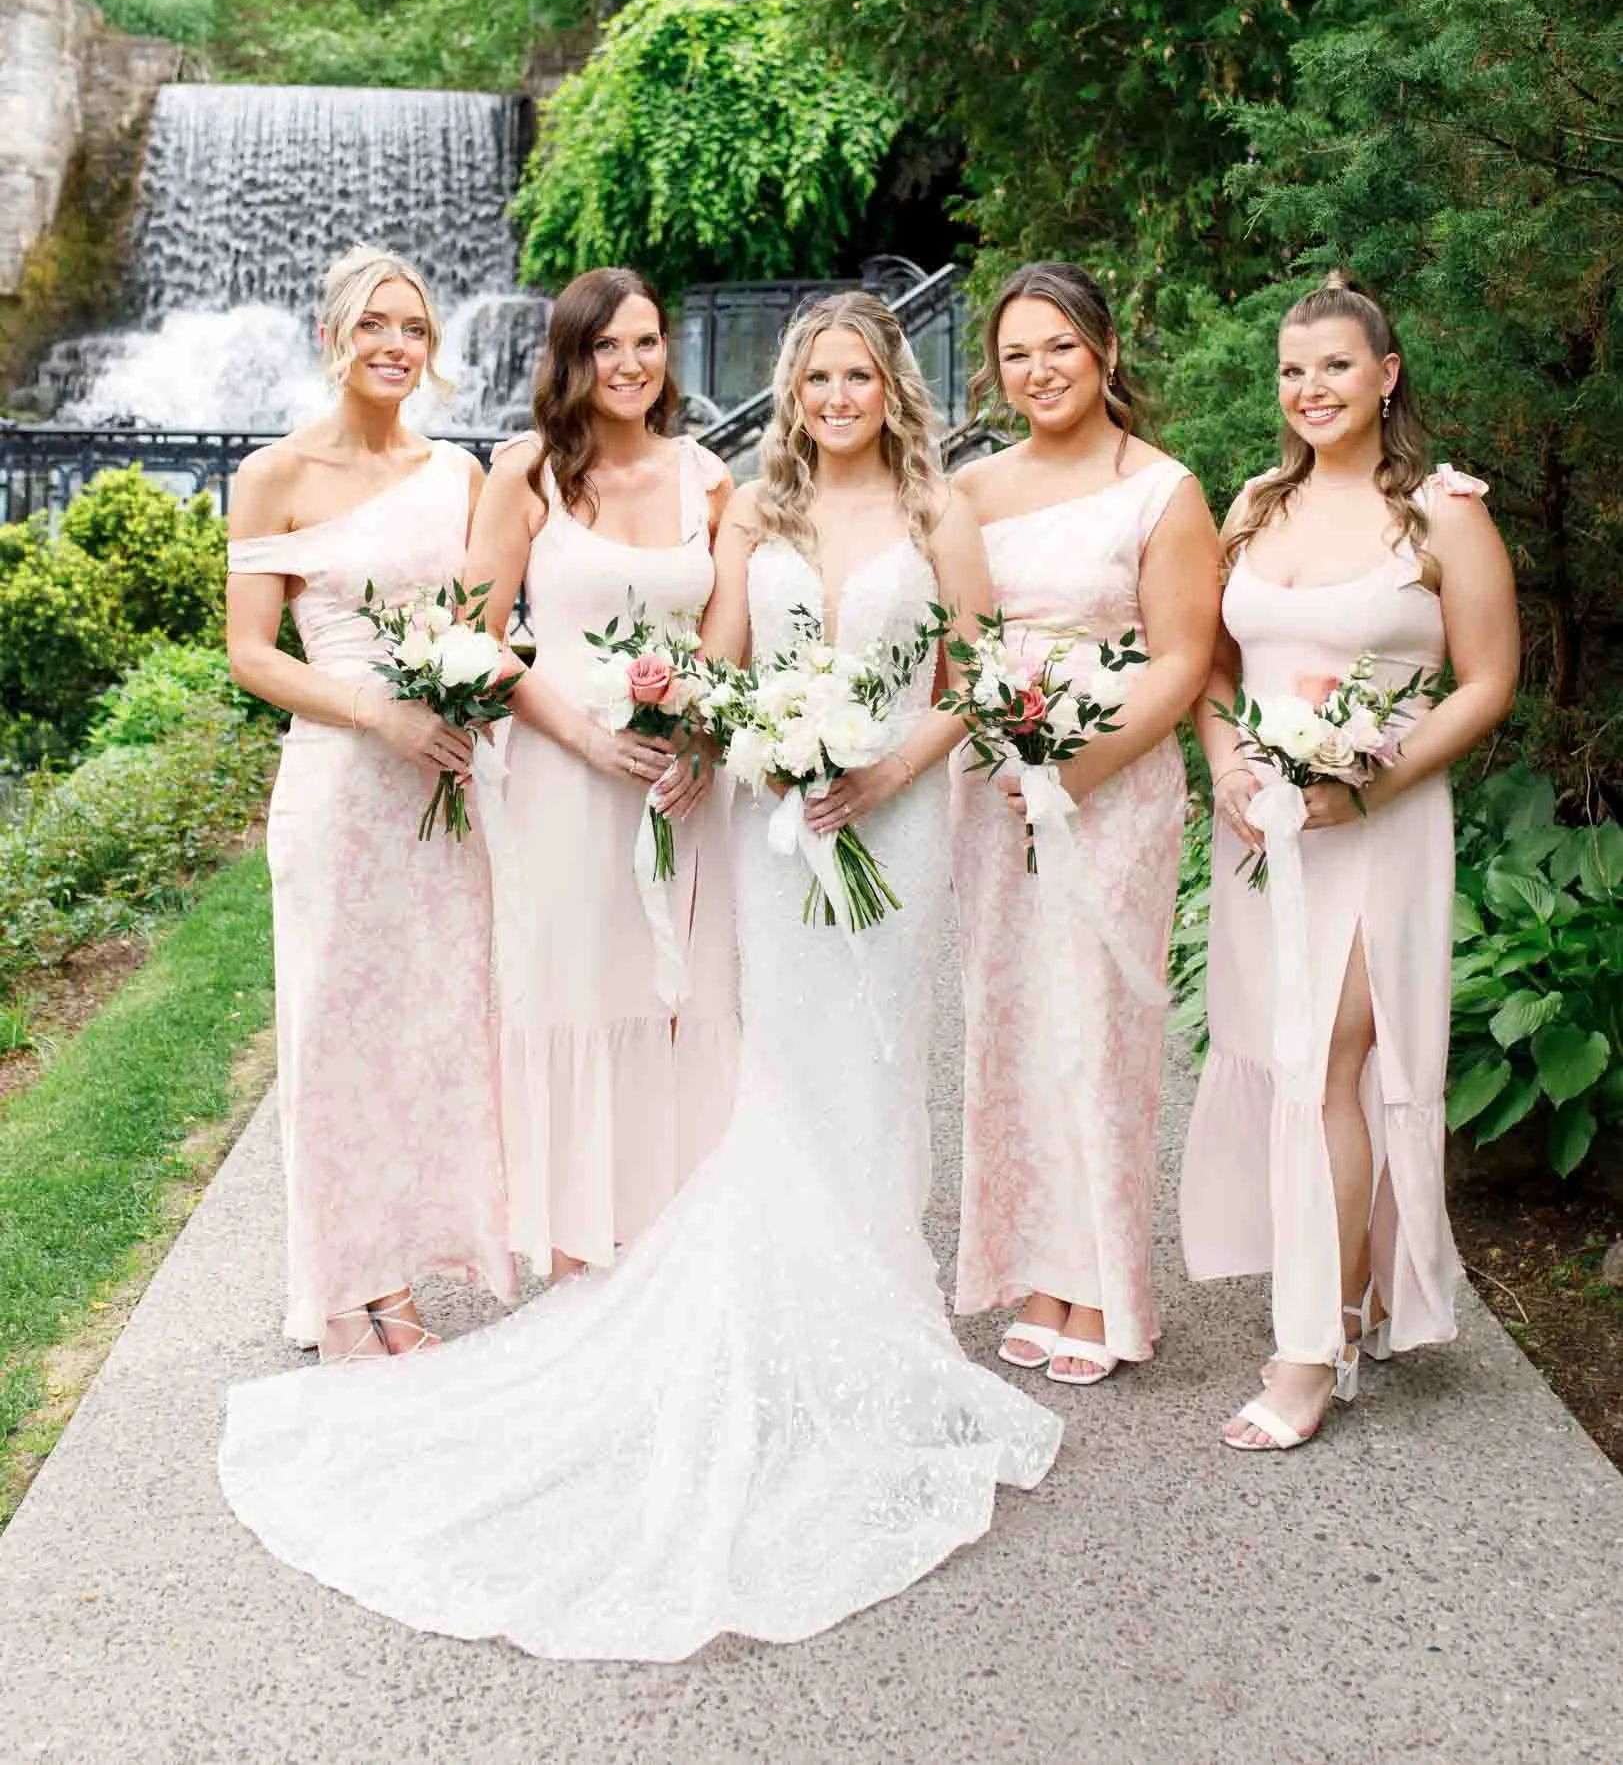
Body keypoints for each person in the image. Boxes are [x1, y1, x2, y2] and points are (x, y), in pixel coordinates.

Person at [219, 291, 1059, 1660]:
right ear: (791, 391)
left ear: (888, 385)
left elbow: (959, 666)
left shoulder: (888, 504)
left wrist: (852, 754)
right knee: (772, 1047)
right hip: (748, 807)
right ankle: (736, 1300)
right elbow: (703, 653)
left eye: (860, 374)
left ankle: (873, 1305)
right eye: (818, 376)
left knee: (877, 1051)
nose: (838, 395)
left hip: (870, 807)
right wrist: (727, 730)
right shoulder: (745, 500)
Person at [1181, 272, 1519, 1451]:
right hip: (1267, 834)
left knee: (1331, 1052)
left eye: (1334, 365)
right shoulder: (1256, 505)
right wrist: (1227, 762)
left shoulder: (1443, 512)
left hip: (1381, 826)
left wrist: (1365, 777)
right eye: (1291, 370)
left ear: (1385, 375)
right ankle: (1352, 1288)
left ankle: (1306, 1352)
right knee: (1297, 1064)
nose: (1310, 388)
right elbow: (1213, 670)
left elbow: (1488, 679)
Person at [225, 243, 513, 1365]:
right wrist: (375, 712)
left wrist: (471, 696)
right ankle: (357, 1289)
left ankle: (420, 1251)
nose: (396, 345)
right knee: (337, 1031)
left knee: (434, 1028)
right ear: (330, 334)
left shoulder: (461, 475)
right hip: (342, 787)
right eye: (375, 325)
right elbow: (251, 652)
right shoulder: (275, 474)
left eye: (415, 328)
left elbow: (485, 626)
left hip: (444, 787)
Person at [952, 262, 1220, 1382]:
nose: (1040, 369)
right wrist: (1006, 745)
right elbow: (961, 649)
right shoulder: (971, 491)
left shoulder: (1164, 490)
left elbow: (1183, 657)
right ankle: (1037, 1265)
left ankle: (1102, 1279)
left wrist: (1087, 760)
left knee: (1099, 1023)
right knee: (1013, 1020)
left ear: (1105, 349)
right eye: (1018, 352)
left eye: (1059, 344)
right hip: (1001, 786)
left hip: (1115, 786)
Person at [464, 266, 737, 1276]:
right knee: (578, 992)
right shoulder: (524, 474)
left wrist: (701, 738)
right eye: (604, 345)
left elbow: (727, 633)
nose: (628, 363)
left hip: (680, 784)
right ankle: (582, 1250)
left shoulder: (710, 480)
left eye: (647, 342)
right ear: (571, 358)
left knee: (678, 998)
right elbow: (476, 640)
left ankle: (676, 1244)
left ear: (669, 353)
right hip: (567, 780)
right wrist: (584, 736)